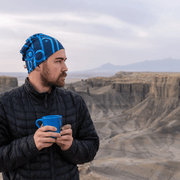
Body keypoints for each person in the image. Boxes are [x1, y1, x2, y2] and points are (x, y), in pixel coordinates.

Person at [0, 33, 99, 180]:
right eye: (58, 61)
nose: (65, 68)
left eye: (64, 61)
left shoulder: (74, 101)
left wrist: (71, 146)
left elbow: (91, 147)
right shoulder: (5, 104)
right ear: (38, 64)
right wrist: (32, 143)